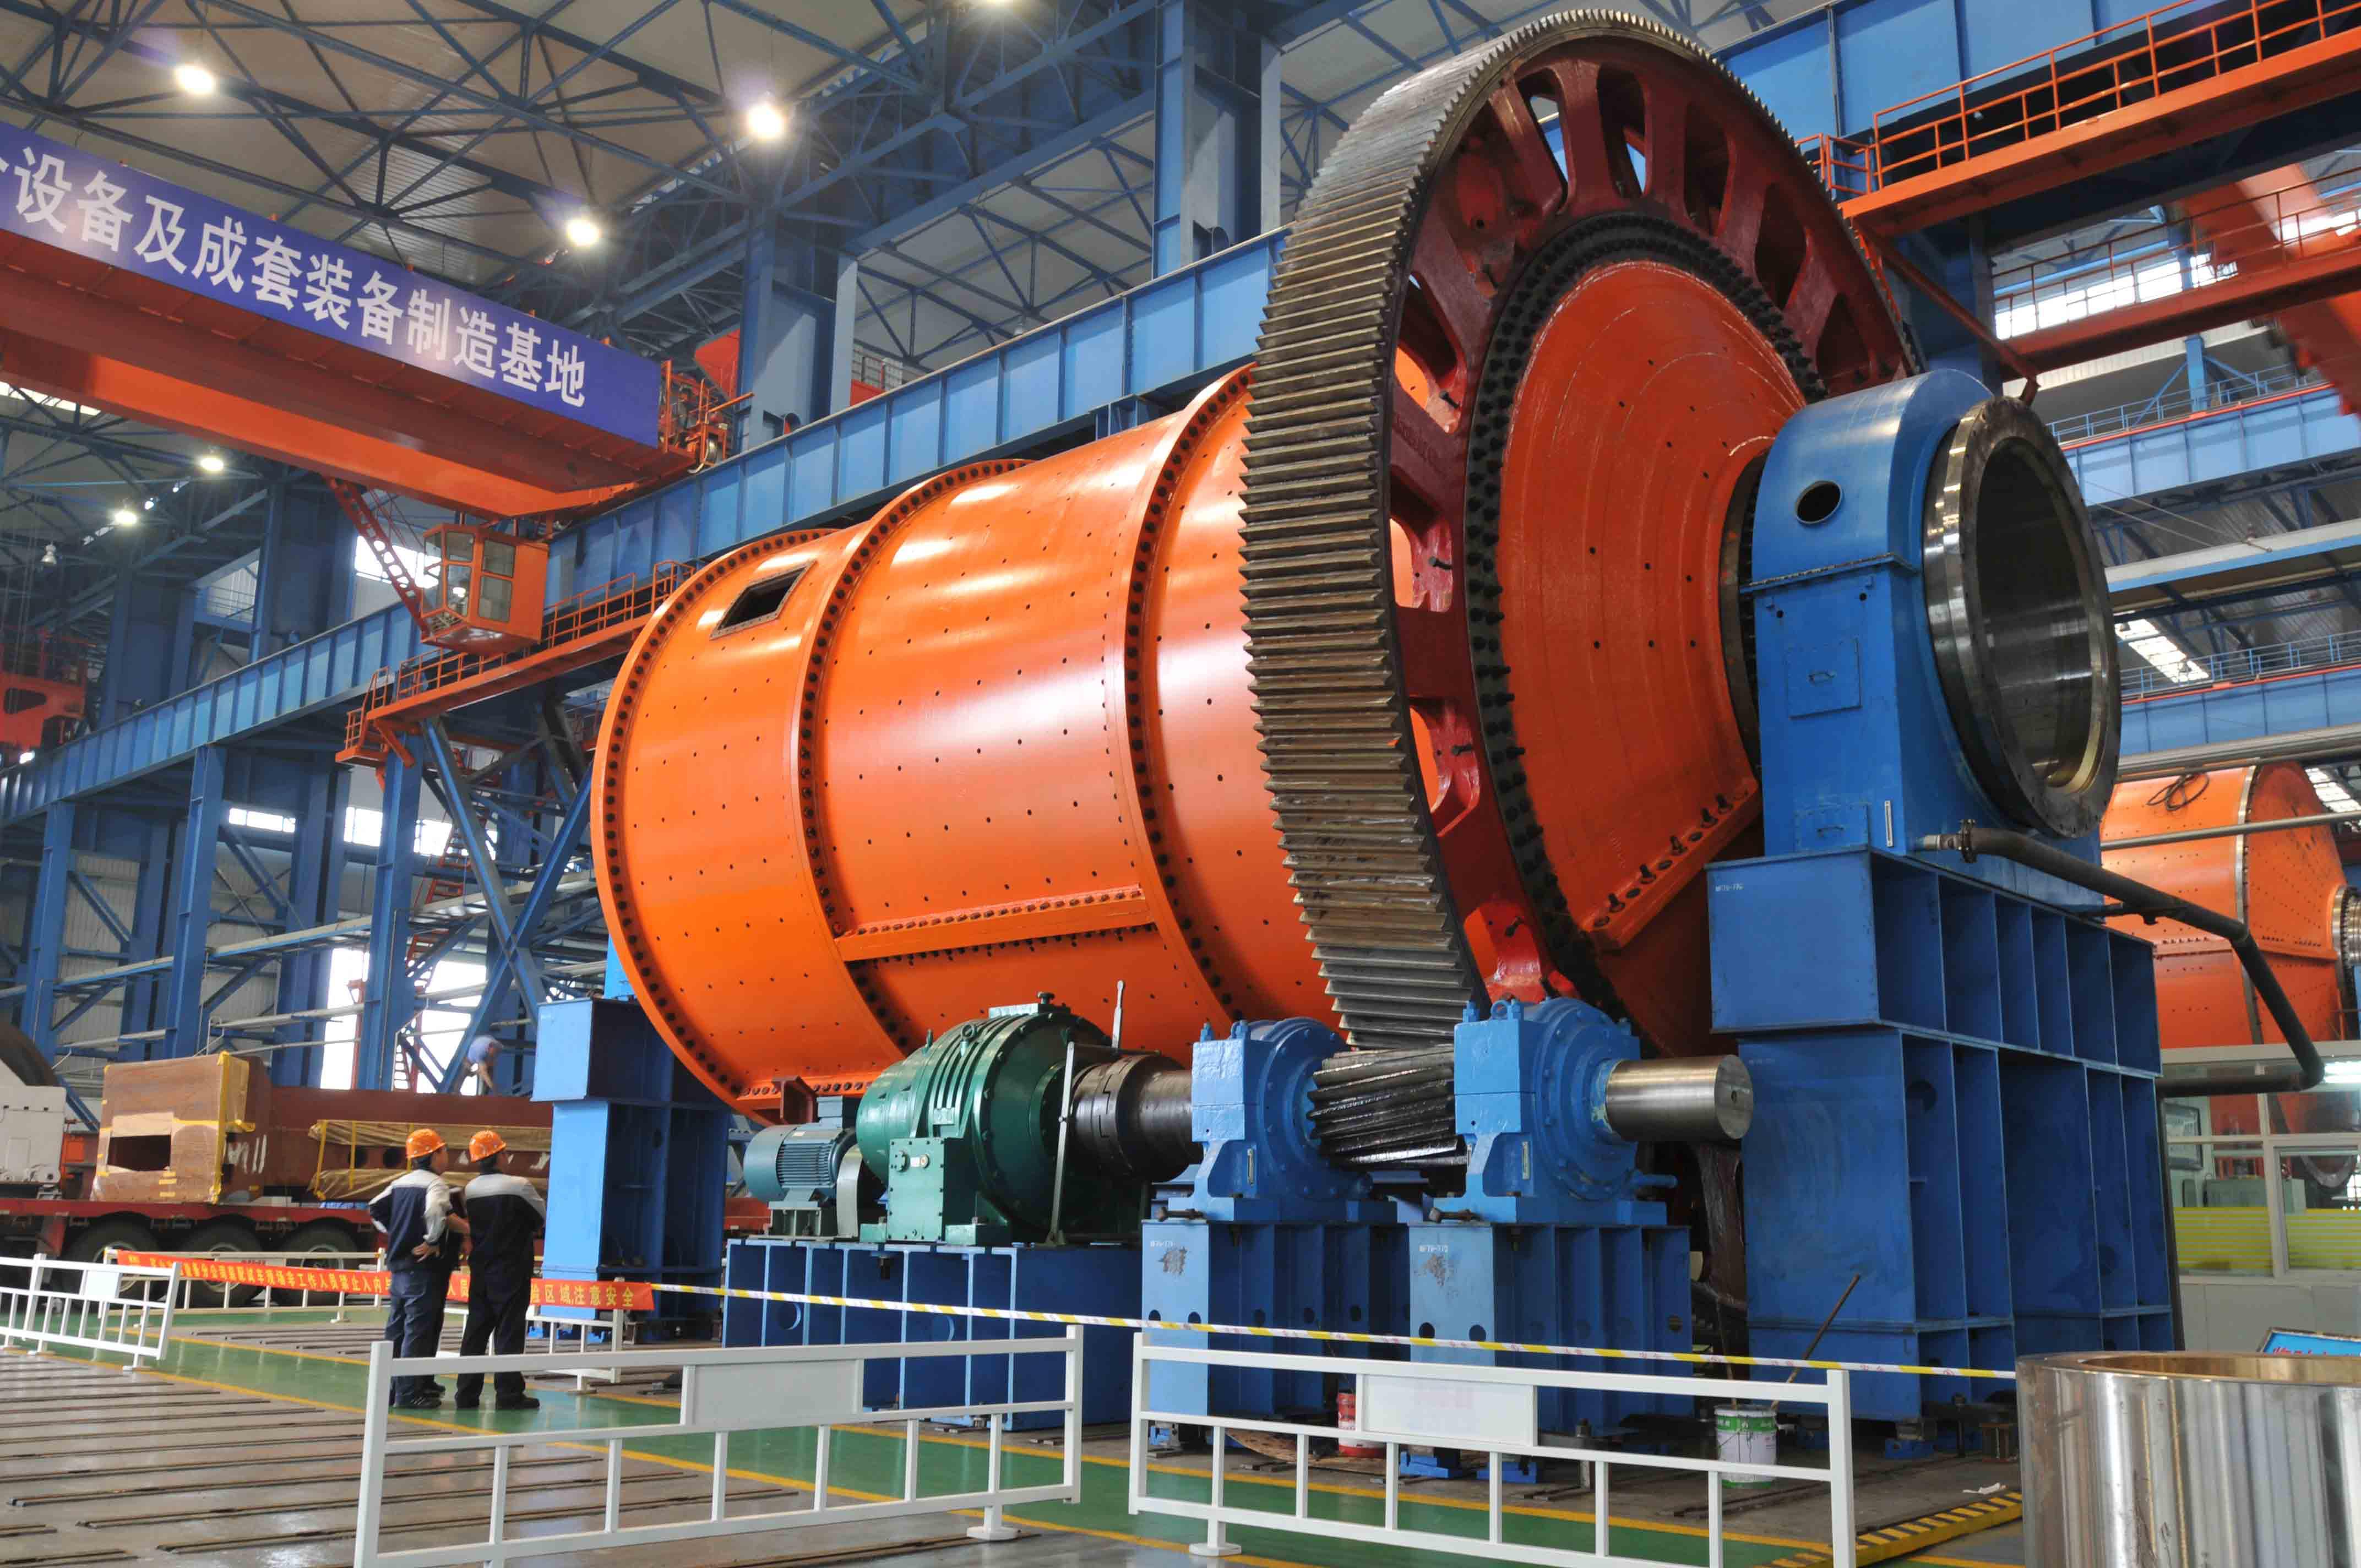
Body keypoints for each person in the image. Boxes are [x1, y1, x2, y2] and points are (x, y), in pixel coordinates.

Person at [368, 1128, 467, 1408]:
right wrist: (432, 1240)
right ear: (433, 1155)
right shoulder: (436, 1185)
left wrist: (397, 1232)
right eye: (444, 1151)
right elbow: (436, 1211)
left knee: (398, 1329)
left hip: (400, 1268)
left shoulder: (399, 1184)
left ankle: (395, 1389)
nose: (446, 1156)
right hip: (423, 1270)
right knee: (418, 1331)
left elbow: (375, 1208)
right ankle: (409, 1394)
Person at [454, 1129, 546, 1412]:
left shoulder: (470, 1190)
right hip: (512, 1269)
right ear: (500, 1156)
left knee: (476, 1331)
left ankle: (466, 1394)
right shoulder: (519, 1186)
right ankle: (508, 1395)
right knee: (509, 1331)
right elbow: (540, 1219)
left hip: (482, 1269)